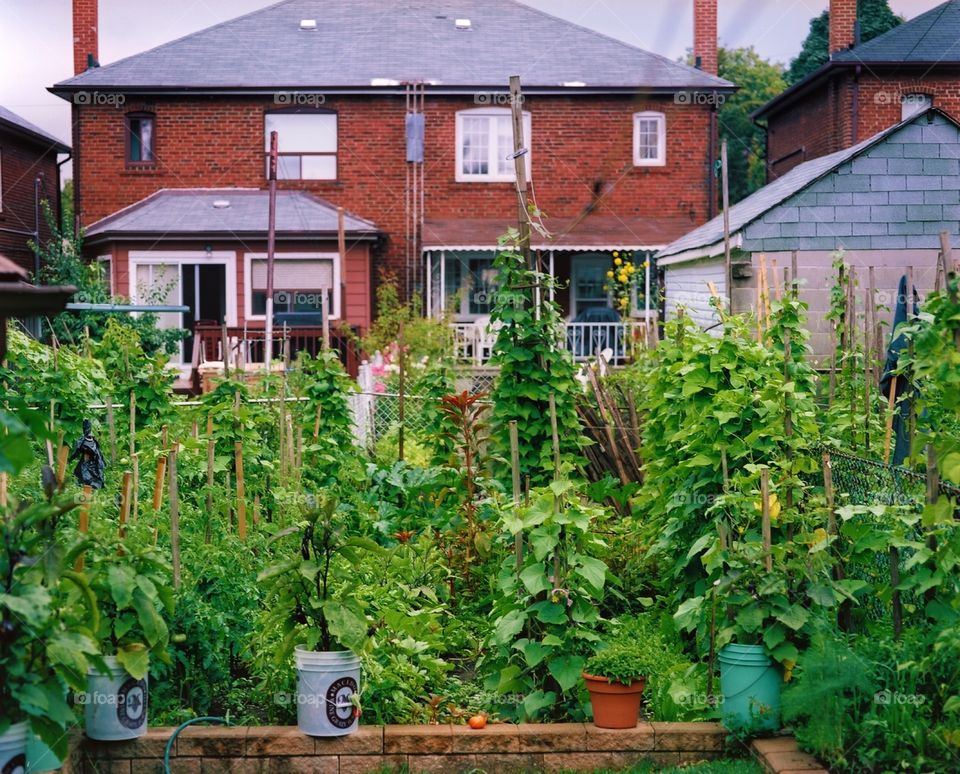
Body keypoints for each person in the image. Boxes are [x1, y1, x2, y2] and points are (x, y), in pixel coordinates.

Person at [70, 419, 106, 489]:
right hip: (91, 462)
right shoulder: (92, 440)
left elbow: (77, 451)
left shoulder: (84, 440)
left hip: (87, 461)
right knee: (83, 474)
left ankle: (87, 488)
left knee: (83, 475)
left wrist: (70, 459)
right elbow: (98, 452)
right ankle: (87, 487)